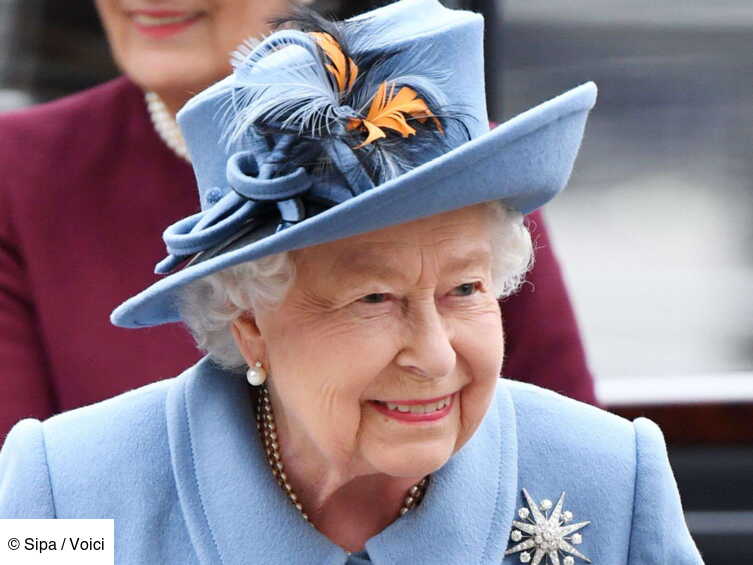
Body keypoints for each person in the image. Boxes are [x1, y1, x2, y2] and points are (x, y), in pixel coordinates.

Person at [0, 3, 701, 563]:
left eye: (464, 290)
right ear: (250, 324)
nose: (434, 356)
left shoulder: (613, 479)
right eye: (374, 299)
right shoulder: (66, 496)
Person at [0, 0, 595, 443]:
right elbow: (27, 538)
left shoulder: (452, 160)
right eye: (373, 297)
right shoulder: (17, 171)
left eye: (463, 289)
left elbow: (569, 483)